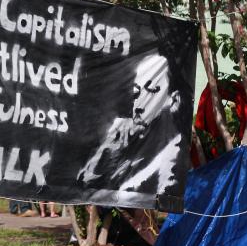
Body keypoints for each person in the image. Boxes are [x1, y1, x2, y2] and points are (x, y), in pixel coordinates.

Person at [77, 54, 183, 195]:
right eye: (137, 93)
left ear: (173, 100)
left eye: (151, 91)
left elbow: (164, 195)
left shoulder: (172, 152)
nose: (139, 105)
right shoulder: (121, 134)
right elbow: (84, 186)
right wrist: (106, 153)